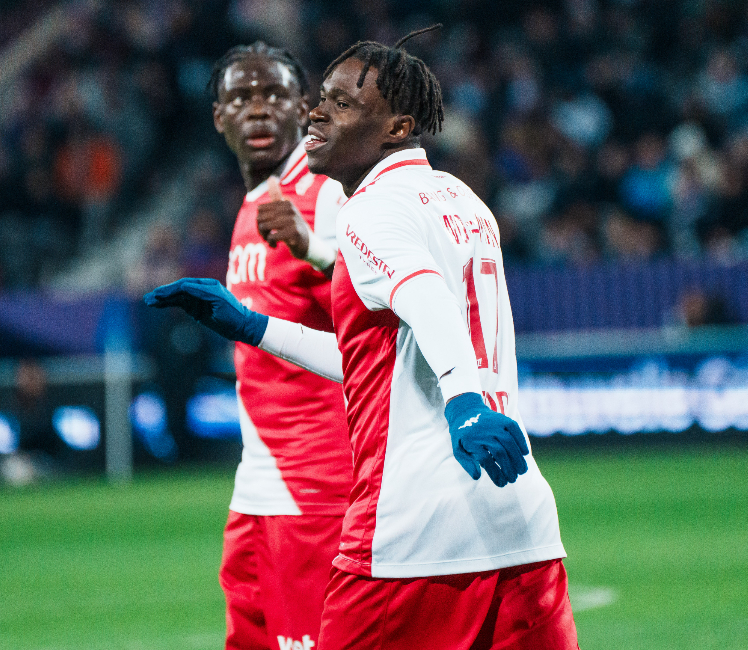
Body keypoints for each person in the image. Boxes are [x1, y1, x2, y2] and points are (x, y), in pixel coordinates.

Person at [147, 27, 578, 650]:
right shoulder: (463, 201)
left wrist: (462, 403)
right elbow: (383, 358)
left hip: (412, 530)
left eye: (343, 103)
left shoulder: (370, 209)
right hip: (521, 523)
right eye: (323, 97)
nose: (317, 114)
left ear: (397, 127)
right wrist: (252, 326)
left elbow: (425, 297)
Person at [197, 41, 354, 650]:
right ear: (220, 117)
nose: (258, 109)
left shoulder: (326, 192)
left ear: (304, 107)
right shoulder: (254, 204)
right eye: (241, 98)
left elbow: (380, 302)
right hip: (258, 481)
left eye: (274, 95)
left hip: (318, 481)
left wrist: (314, 247)